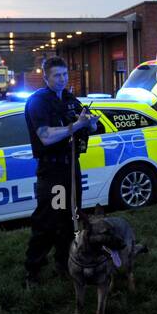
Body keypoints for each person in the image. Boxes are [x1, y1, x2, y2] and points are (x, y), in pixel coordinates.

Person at [23, 56, 98, 288]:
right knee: (48, 220)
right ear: (45, 77)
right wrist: (76, 125)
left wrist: (90, 123)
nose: (62, 79)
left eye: (64, 74)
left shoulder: (69, 98)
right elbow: (45, 136)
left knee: (71, 218)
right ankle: (33, 271)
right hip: (52, 169)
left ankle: (64, 264)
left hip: (71, 166)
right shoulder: (38, 102)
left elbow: (90, 125)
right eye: (57, 75)